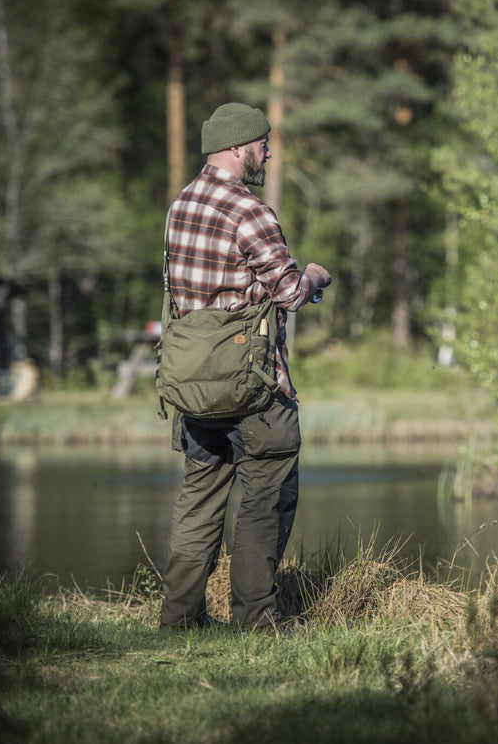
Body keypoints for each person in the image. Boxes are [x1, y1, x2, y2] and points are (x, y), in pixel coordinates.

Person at [159, 102, 331, 632]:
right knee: (266, 495)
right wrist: (317, 278)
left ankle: (181, 617)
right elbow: (288, 294)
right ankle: (256, 618)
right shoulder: (250, 211)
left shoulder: (181, 204)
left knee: (199, 499)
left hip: (191, 383)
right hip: (253, 384)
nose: (268, 152)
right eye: (262, 143)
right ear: (237, 148)